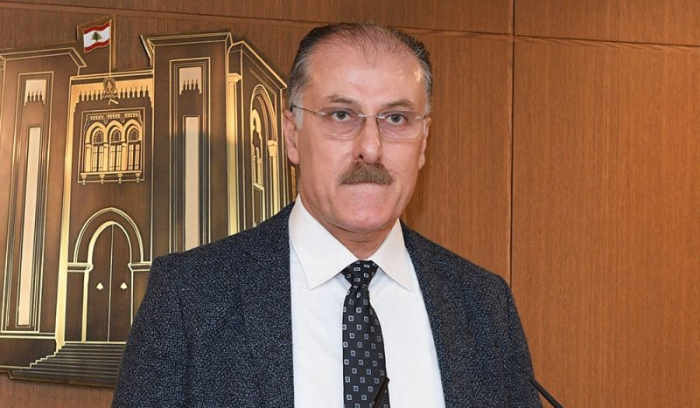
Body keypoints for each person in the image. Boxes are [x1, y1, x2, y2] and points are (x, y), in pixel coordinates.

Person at [112, 23, 542, 408]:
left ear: (423, 142)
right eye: (341, 115)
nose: (370, 148)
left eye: (396, 118)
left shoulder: (484, 308)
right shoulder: (190, 298)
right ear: (292, 135)